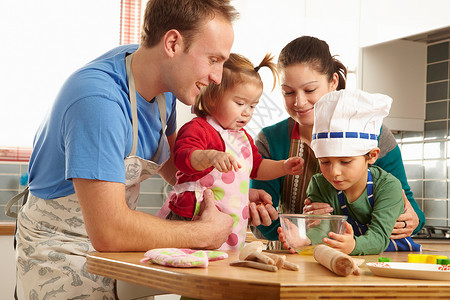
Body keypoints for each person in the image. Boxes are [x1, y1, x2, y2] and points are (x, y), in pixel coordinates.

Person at [13, 1, 277, 299]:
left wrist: (233, 194)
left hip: (119, 249)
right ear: (173, 43)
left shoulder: (164, 84)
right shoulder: (98, 101)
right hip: (62, 252)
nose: (218, 76)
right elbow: (109, 230)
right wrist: (205, 234)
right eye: (213, 59)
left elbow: (179, 170)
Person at [250, 36, 425, 248]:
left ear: (333, 82)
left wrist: (408, 221)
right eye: (288, 92)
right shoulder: (271, 140)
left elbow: (412, 213)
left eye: (310, 90)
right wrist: (302, 225)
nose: (299, 102)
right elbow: (262, 226)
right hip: (295, 256)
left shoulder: (374, 135)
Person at [157, 53, 303, 250]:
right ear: (212, 96)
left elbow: (257, 167)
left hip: (231, 221)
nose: (247, 112)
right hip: (193, 217)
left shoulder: (242, 137)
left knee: (224, 259)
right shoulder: (199, 129)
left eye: (253, 106)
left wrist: (283, 166)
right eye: (240, 103)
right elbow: (182, 158)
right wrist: (210, 156)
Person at [298, 89, 421, 255]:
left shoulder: (388, 186)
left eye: (346, 161)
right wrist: (304, 240)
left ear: (371, 156)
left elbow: (379, 237)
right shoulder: (320, 184)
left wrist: (353, 245)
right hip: (345, 256)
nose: (334, 172)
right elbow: (322, 229)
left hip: (391, 259)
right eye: (325, 162)